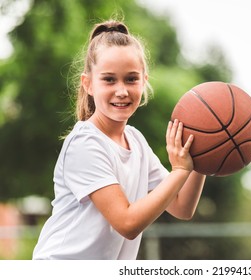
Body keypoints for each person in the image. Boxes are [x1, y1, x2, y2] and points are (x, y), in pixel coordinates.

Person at [32, 19, 206, 260]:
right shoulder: (85, 143)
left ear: (144, 82)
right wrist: (178, 171)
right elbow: (127, 223)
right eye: (109, 79)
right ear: (88, 84)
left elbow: (182, 207)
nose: (122, 91)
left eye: (131, 79)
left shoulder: (136, 141)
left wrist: (203, 158)